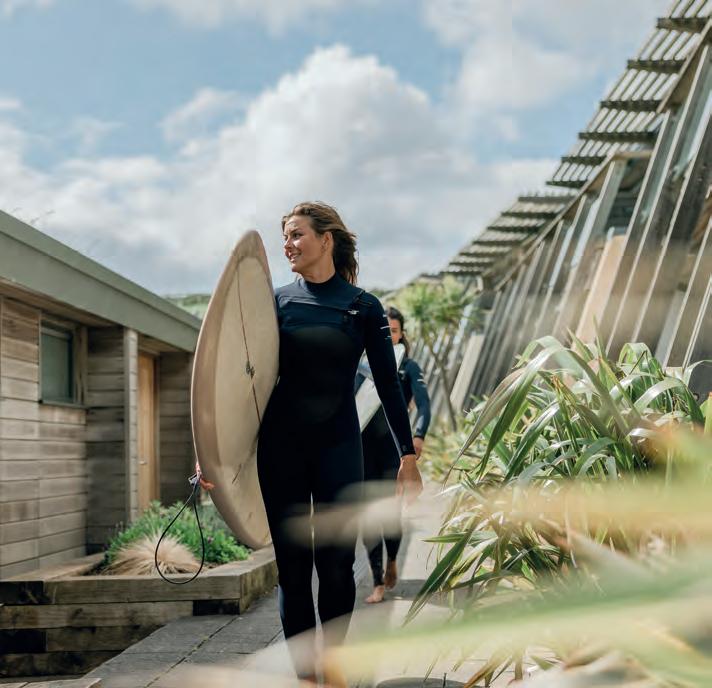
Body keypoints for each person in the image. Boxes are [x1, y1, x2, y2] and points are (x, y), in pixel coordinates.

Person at [201, 202, 422, 685]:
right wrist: (212, 453)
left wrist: (407, 455)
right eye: (285, 237)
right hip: (281, 449)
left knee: (337, 566)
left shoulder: (363, 307)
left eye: (297, 234)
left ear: (326, 239)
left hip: (339, 448)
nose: (288, 245)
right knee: (293, 570)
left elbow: (388, 384)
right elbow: (236, 382)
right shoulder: (273, 303)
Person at [358, 307, 431, 604]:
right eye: (384, 332)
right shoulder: (360, 367)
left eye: (394, 331)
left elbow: (424, 405)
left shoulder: (408, 367)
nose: (389, 337)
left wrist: (418, 436)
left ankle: (391, 559)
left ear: (402, 335)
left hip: (392, 452)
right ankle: (377, 581)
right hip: (362, 450)